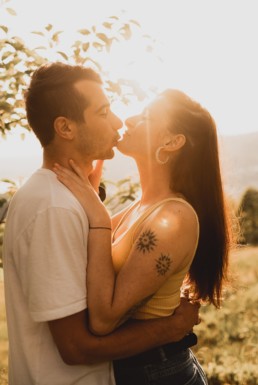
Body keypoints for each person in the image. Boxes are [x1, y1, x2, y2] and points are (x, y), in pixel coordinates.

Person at [3, 62, 200, 385]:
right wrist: (171, 328)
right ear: (65, 128)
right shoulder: (55, 207)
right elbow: (76, 347)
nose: (120, 121)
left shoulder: (64, 199)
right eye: (104, 111)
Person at [53, 88, 232, 385]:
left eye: (146, 117)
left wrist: (98, 215)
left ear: (172, 142)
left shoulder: (173, 218)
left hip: (160, 374)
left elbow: (104, 319)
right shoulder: (142, 206)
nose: (129, 120)